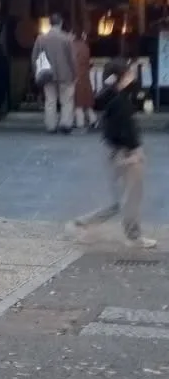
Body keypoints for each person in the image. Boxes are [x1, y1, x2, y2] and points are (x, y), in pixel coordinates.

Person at [68, 59, 156, 249]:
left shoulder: (111, 96)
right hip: (126, 152)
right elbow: (125, 129)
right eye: (129, 72)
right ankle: (133, 236)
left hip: (116, 151)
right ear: (122, 76)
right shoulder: (120, 101)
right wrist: (134, 151)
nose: (133, 74)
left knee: (118, 199)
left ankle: (85, 223)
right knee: (131, 196)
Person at [31, 14, 77, 133]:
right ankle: (65, 124)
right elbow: (72, 59)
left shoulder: (41, 39)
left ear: (50, 24)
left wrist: (37, 72)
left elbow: (34, 57)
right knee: (66, 100)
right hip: (65, 74)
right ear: (61, 23)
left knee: (50, 101)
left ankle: (51, 126)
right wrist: (75, 74)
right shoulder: (67, 38)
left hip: (47, 74)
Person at [72, 30, 95, 130]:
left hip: (76, 77)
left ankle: (80, 122)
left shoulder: (72, 47)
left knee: (78, 102)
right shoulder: (85, 46)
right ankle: (93, 119)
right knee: (86, 101)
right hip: (85, 76)